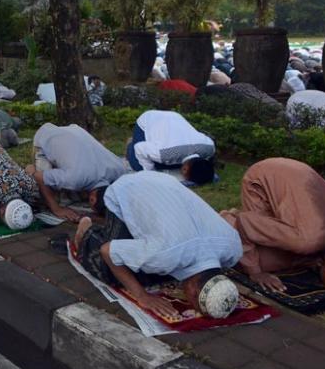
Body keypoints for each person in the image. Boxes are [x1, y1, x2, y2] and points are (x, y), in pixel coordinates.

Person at [72, 171, 242, 319]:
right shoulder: (165, 256)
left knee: (157, 269)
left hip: (163, 181)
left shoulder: (234, 248)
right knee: (114, 271)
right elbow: (107, 251)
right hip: (127, 188)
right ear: (193, 291)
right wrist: (141, 296)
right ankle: (88, 233)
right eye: (193, 302)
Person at [221, 158, 325, 304]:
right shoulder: (308, 240)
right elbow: (245, 222)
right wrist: (255, 272)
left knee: (296, 253)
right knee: (262, 259)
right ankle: (226, 219)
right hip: (262, 178)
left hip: (297, 170)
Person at [27, 123, 127, 222]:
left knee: (73, 190)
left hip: (75, 130)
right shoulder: (74, 179)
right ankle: (29, 168)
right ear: (92, 199)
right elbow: (39, 178)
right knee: (51, 195)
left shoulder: (120, 170)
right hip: (45, 135)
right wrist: (57, 209)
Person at [126, 110, 215, 185]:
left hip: (175, 116)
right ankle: (130, 144)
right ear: (185, 169)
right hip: (148, 119)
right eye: (185, 175)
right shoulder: (165, 153)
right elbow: (140, 148)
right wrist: (150, 173)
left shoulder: (210, 148)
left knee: (165, 164)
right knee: (139, 167)